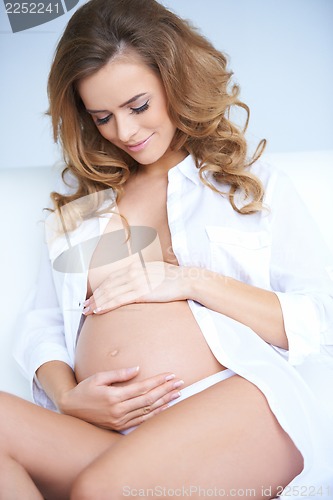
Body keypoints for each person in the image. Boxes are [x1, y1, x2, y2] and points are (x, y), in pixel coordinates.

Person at [1, 0, 332, 498]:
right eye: (103, 117)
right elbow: (42, 323)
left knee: (100, 489)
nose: (125, 132)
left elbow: (319, 315)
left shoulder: (248, 187)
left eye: (138, 107)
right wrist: (70, 397)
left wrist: (190, 279)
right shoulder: (82, 211)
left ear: (175, 82)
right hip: (117, 430)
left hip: (234, 406)